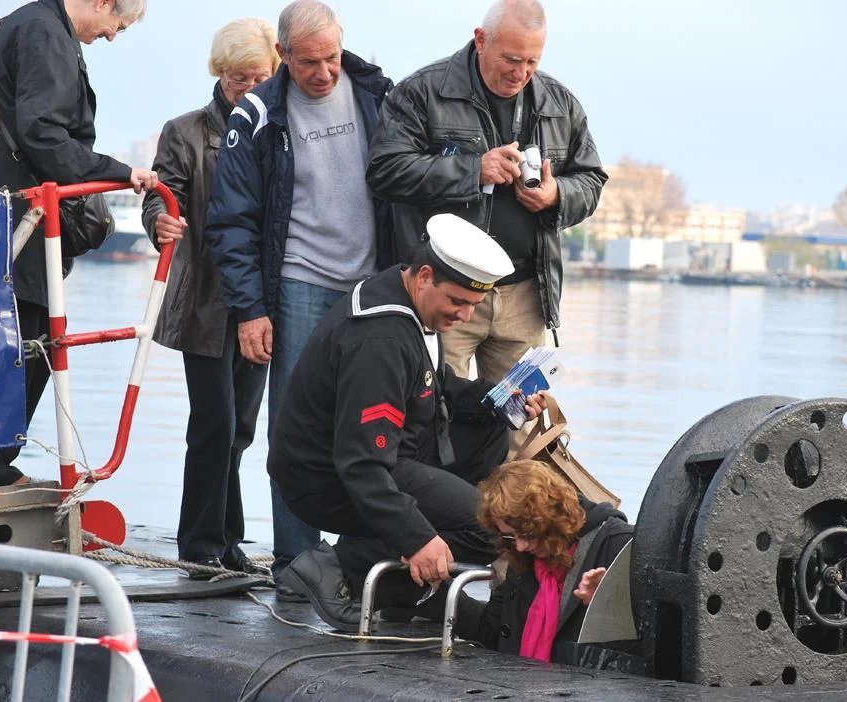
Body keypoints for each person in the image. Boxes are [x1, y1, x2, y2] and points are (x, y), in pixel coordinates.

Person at [269, 214, 548, 630]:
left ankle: (400, 580)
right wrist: (416, 538)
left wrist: (499, 397)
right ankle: (341, 569)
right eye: (457, 302)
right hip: (328, 478)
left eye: (474, 305)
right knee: (490, 525)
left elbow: (436, 385)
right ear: (424, 276)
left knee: (488, 423)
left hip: (386, 451)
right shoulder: (380, 340)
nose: (466, 316)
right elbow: (361, 463)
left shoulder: (407, 300)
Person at [204, 0, 392, 589]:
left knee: (372, 420)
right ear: (284, 56)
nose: (324, 72)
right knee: (294, 424)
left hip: (370, 282)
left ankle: (360, 555)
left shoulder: (377, 94)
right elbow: (230, 219)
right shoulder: (257, 114)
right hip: (298, 281)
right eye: (310, 62)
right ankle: (295, 560)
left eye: (332, 58)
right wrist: (250, 309)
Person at [0, 0, 158, 491]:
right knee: (33, 339)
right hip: (16, 221)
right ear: (103, 2)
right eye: (118, 23)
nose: (113, 36)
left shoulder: (16, 24)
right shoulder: (46, 34)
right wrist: (114, 172)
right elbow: (41, 131)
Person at [366, 0, 607, 394]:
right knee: (437, 418)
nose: (522, 73)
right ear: (480, 40)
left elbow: (592, 180)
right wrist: (472, 171)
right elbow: (384, 171)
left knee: (521, 422)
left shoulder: (560, 104)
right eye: (512, 59)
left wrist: (556, 195)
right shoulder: (422, 91)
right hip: (445, 292)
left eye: (532, 61)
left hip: (525, 296)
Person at [140, 19, 280, 579]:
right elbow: (162, 192)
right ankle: (199, 540)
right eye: (240, 77)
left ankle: (227, 537)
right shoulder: (184, 130)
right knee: (214, 421)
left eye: (261, 77)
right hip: (204, 298)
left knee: (242, 427)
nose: (250, 87)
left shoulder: (279, 128)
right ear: (220, 74)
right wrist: (159, 224)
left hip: (260, 301)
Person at [454, 459, 633, 664]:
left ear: (550, 517)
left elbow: (656, 638)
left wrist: (609, 602)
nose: (520, 545)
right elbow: (491, 631)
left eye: (527, 533)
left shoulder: (617, 544)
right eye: (511, 536)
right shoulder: (525, 554)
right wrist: (433, 590)